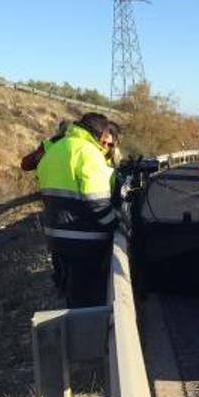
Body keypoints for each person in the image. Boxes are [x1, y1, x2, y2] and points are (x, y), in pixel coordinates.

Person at [35, 113, 117, 307]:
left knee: (71, 295)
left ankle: (73, 328)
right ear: (100, 133)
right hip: (85, 239)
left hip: (55, 236)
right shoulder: (88, 153)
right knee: (88, 300)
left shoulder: (55, 149)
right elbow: (97, 203)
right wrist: (116, 223)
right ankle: (88, 335)